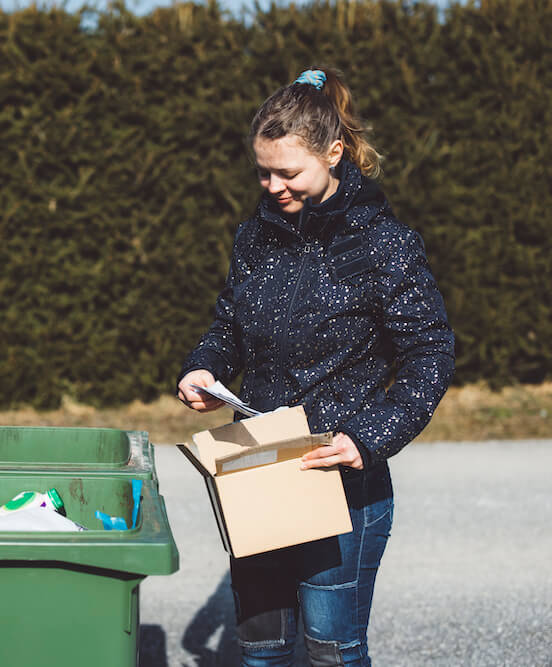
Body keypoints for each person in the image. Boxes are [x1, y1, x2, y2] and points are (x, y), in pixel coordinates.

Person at [176, 67, 455, 666]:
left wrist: (369, 437)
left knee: (333, 652)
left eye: (288, 171)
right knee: (262, 651)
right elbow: (230, 323)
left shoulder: (385, 243)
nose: (273, 184)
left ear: (333, 154)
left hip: (343, 481)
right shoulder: (255, 235)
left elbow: (430, 353)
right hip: (257, 471)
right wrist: (204, 367)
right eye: (263, 170)